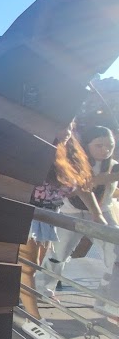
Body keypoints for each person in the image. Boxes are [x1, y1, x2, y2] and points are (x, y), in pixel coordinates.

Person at [19, 122, 98, 339]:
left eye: (70, 126)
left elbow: (81, 187)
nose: (68, 131)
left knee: (32, 266)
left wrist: (97, 214)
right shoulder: (33, 152)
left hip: (48, 218)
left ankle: (25, 307)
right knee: (27, 268)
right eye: (63, 125)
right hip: (28, 215)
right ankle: (33, 319)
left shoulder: (66, 155)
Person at [37, 125, 119, 322]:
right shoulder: (75, 161)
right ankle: (43, 289)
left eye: (110, 145)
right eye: (99, 145)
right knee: (58, 254)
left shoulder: (114, 165)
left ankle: (108, 301)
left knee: (115, 254)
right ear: (87, 145)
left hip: (103, 213)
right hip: (70, 212)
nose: (105, 150)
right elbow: (83, 183)